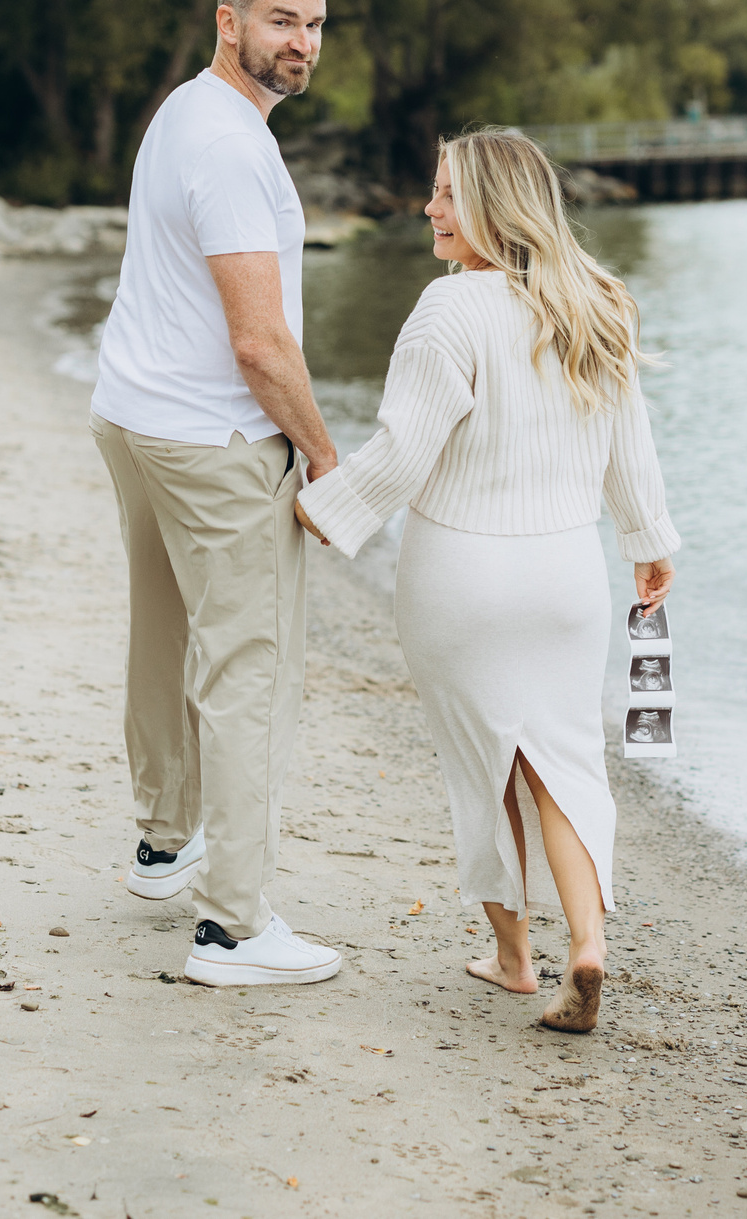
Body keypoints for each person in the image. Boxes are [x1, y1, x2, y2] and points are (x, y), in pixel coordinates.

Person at [294, 129, 679, 1034]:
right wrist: (650, 540)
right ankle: (587, 943)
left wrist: (322, 513)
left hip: (461, 572)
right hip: (565, 575)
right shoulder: (600, 301)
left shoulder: (448, 309)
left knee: (485, 764)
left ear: (494, 207)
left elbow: (403, 452)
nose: (429, 208)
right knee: (567, 762)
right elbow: (632, 443)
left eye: (445, 193)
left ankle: (514, 958)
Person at [89, 0, 344, 989]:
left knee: (163, 637)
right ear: (228, 22)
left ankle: (164, 845)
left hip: (137, 419)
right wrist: (324, 459)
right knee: (249, 672)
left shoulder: (186, 112)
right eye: (283, 21)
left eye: (316, 24)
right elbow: (258, 343)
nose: (302, 43)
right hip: (214, 440)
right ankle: (233, 928)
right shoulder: (233, 148)